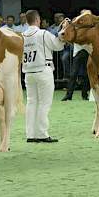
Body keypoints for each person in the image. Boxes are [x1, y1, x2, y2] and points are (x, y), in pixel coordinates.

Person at [22, 10, 65, 143]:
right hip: (43, 70)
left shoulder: (22, 35)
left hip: (28, 73)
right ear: (37, 20)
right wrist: (61, 36)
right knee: (44, 103)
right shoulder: (43, 33)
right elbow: (57, 46)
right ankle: (42, 133)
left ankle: (30, 134)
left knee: (31, 102)